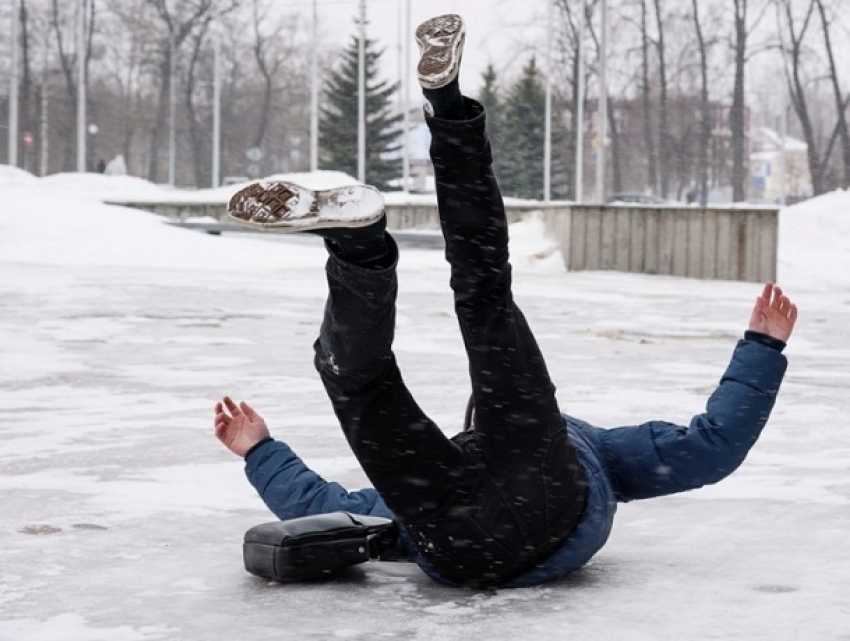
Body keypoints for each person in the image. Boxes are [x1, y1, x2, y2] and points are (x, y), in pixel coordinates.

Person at [215, 14, 797, 588]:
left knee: (421, 334)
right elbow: (712, 446)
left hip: (454, 535)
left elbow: (324, 502)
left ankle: (370, 235)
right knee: (420, 338)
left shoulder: (536, 442)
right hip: (521, 518)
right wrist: (762, 349)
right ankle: (391, 195)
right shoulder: (593, 448)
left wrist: (260, 450)